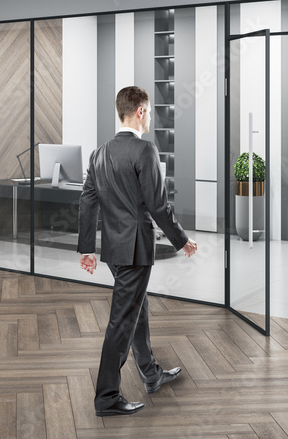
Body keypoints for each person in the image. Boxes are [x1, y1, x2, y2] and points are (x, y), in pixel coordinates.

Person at [78, 85, 198, 417]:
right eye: (151, 112)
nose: (151, 118)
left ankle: (150, 373)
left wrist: (87, 248)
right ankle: (106, 398)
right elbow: (159, 206)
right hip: (136, 250)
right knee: (122, 320)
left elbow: (88, 202)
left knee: (136, 309)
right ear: (141, 111)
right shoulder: (144, 150)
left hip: (114, 251)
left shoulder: (99, 152)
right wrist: (182, 240)